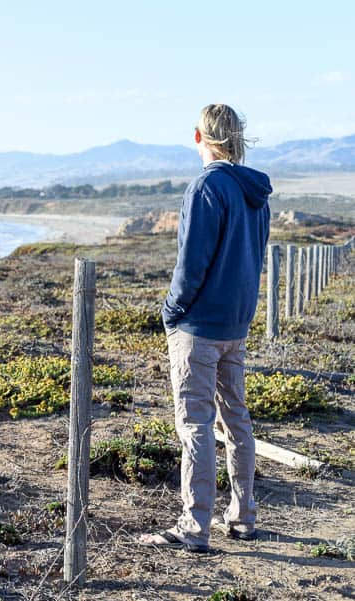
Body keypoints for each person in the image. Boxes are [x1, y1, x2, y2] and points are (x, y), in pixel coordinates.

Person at [139, 104, 272, 552]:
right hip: (236, 324)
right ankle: (244, 517)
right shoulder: (255, 193)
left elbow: (190, 265)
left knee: (195, 423)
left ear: (200, 137)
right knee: (237, 421)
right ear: (236, 138)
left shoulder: (206, 187)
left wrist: (171, 311)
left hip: (199, 327)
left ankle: (195, 526)